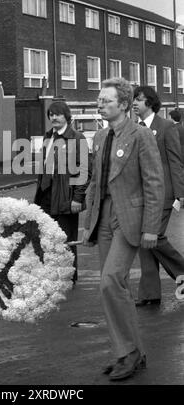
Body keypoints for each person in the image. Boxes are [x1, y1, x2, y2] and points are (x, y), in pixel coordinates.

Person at [83, 78, 164, 381]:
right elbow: (96, 180)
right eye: (99, 100)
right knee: (114, 290)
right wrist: (89, 219)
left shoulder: (141, 136)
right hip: (103, 217)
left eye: (106, 100)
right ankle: (131, 353)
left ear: (124, 104)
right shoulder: (101, 136)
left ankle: (128, 353)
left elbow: (154, 183)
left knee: (109, 281)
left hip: (128, 219)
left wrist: (151, 227)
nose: (100, 104)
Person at [133, 87, 184, 306]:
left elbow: (175, 161)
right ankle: (150, 293)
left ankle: (181, 272)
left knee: (154, 236)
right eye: (134, 99)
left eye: (139, 100)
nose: (135, 103)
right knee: (146, 241)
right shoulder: (134, 129)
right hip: (142, 194)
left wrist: (180, 193)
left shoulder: (166, 127)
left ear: (151, 103)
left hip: (164, 193)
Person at [34, 101, 89, 283]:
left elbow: (84, 169)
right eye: (51, 114)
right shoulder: (47, 137)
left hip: (66, 197)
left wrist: (78, 198)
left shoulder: (76, 137)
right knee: (48, 239)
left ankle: (68, 278)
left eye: (57, 114)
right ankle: (53, 276)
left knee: (66, 240)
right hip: (45, 197)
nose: (53, 117)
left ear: (66, 116)